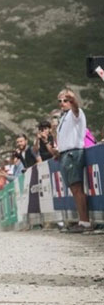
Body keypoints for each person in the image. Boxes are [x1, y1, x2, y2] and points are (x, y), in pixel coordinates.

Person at [50, 89, 91, 233]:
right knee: (74, 190)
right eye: (60, 101)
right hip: (65, 154)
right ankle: (81, 220)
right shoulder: (64, 118)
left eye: (65, 100)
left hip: (73, 153)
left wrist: (73, 99)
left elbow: (75, 106)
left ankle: (85, 222)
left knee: (77, 189)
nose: (62, 103)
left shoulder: (75, 113)